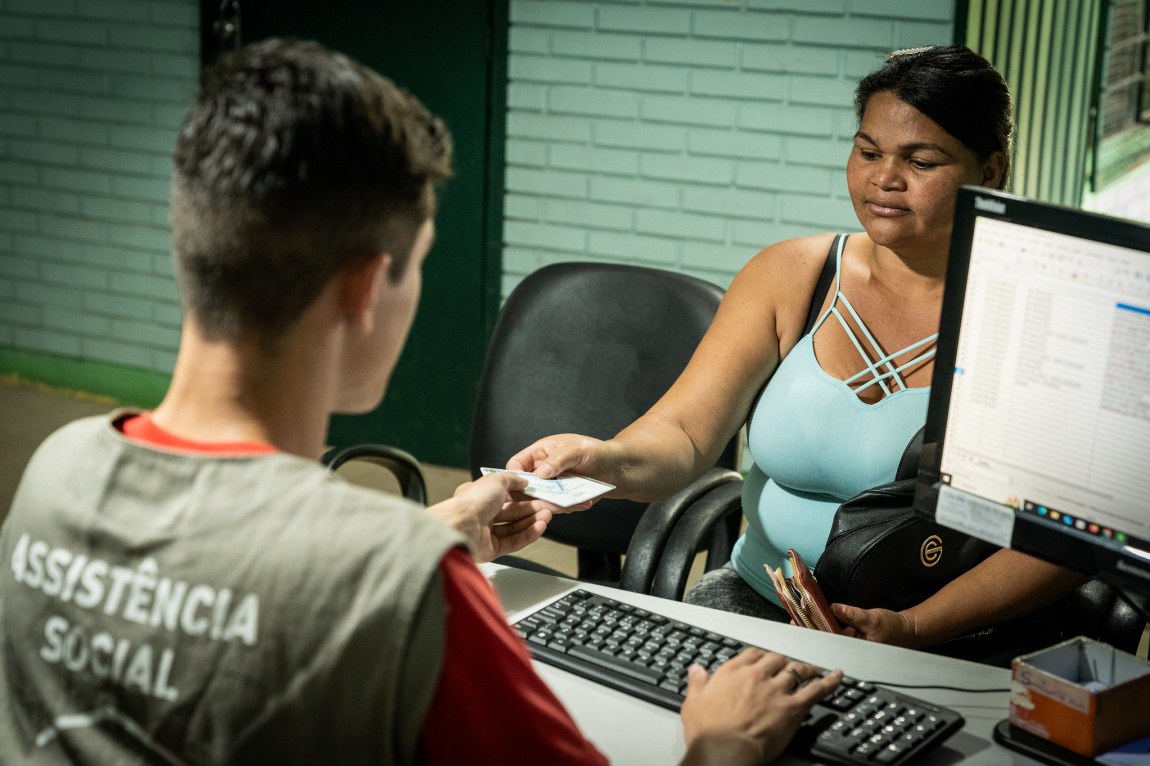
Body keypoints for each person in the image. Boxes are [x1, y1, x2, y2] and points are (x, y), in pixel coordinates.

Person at [0, 39, 842, 765]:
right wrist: (719, 747)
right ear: (368, 289)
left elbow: (237, 564)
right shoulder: (411, 589)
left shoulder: (57, 470)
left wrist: (443, 527)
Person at [510, 45, 1085, 657]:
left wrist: (920, 626)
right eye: (867, 152)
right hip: (760, 601)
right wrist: (604, 460)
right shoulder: (794, 276)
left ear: (990, 171)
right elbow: (684, 433)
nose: (884, 179)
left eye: (921, 160)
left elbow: (1069, 539)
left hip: (948, 635)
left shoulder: (1038, 317)